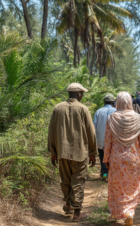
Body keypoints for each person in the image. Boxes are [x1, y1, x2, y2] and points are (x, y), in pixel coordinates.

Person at [48, 83, 97, 222]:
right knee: (78, 181)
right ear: (79, 94)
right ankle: (77, 213)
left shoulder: (57, 108)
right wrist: (93, 152)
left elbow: (51, 131)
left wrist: (53, 152)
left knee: (66, 180)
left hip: (62, 152)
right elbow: (91, 132)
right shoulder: (83, 109)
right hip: (80, 153)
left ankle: (68, 204)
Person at [103, 92, 140, 226]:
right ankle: (129, 212)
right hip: (134, 159)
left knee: (117, 186)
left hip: (116, 159)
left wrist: (106, 159)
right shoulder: (139, 119)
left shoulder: (112, 118)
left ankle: (121, 212)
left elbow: (108, 141)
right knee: (132, 187)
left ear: (117, 102)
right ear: (130, 102)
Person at [93, 94, 117, 181]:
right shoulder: (116, 111)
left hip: (101, 139)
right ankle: (111, 174)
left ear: (104, 101)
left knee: (102, 156)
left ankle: (104, 173)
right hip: (113, 140)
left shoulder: (98, 111)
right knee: (111, 156)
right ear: (113, 102)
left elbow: (94, 127)